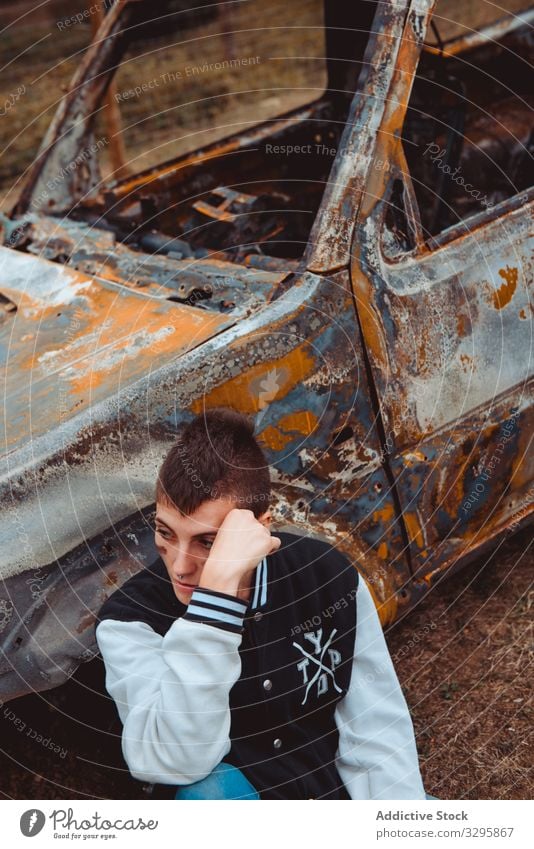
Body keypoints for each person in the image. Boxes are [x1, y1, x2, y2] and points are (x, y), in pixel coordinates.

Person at [95, 407, 427, 800]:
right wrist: (213, 605)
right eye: (166, 533)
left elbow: (376, 726)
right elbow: (173, 760)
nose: (180, 566)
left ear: (260, 526)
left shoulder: (328, 576)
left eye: (207, 541)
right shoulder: (130, 620)